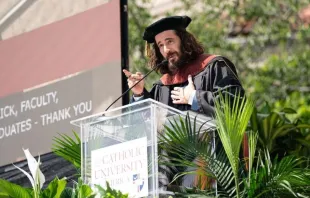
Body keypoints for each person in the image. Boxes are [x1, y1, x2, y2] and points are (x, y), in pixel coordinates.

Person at [123, 15, 244, 117]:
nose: (166, 50)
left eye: (170, 41)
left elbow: (234, 106)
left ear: (184, 41)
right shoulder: (162, 87)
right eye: (160, 45)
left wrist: (193, 97)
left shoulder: (214, 66)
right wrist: (139, 94)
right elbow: (145, 127)